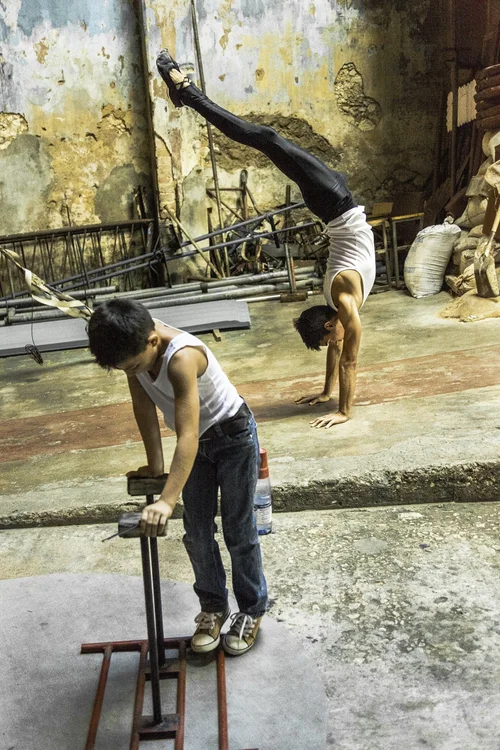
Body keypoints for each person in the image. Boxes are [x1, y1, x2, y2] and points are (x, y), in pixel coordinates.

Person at [156, 49, 376, 429]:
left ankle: (188, 93)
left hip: (334, 202)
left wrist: (341, 407)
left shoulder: (343, 302)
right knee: (267, 139)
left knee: (267, 138)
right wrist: (329, 397)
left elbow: (346, 358)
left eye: (329, 339)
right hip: (335, 202)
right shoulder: (340, 306)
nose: (334, 343)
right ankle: (187, 94)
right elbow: (343, 356)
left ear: (329, 324)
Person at [87, 299, 267, 657]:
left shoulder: (182, 357)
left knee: (238, 529)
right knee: (196, 533)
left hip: (232, 437)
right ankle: (214, 607)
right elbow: (143, 406)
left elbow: (187, 434)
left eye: (133, 366)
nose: (131, 371)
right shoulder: (133, 343)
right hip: (197, 444)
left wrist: (167, 500)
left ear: (153, 341)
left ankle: (251, 610)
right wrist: (155, 465)